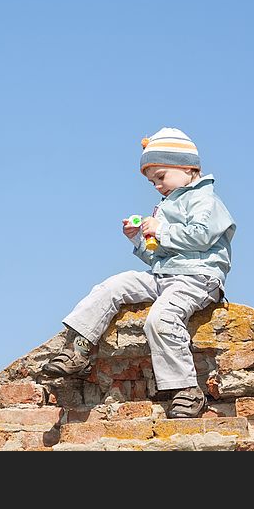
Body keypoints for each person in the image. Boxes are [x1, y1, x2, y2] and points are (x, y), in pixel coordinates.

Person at [41, 127, 236, 418]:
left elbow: (202, 235)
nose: (157, 185)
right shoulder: (167, 206)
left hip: (198, 278)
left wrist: (162, 229)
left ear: (188, 168)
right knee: (113, 285)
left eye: (161, 176)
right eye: (152, 181)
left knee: (161, 317)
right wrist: (138, 239)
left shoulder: (206, 201)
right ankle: (78, 349)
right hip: (165, 274)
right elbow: (157, 256)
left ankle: (186, 390)